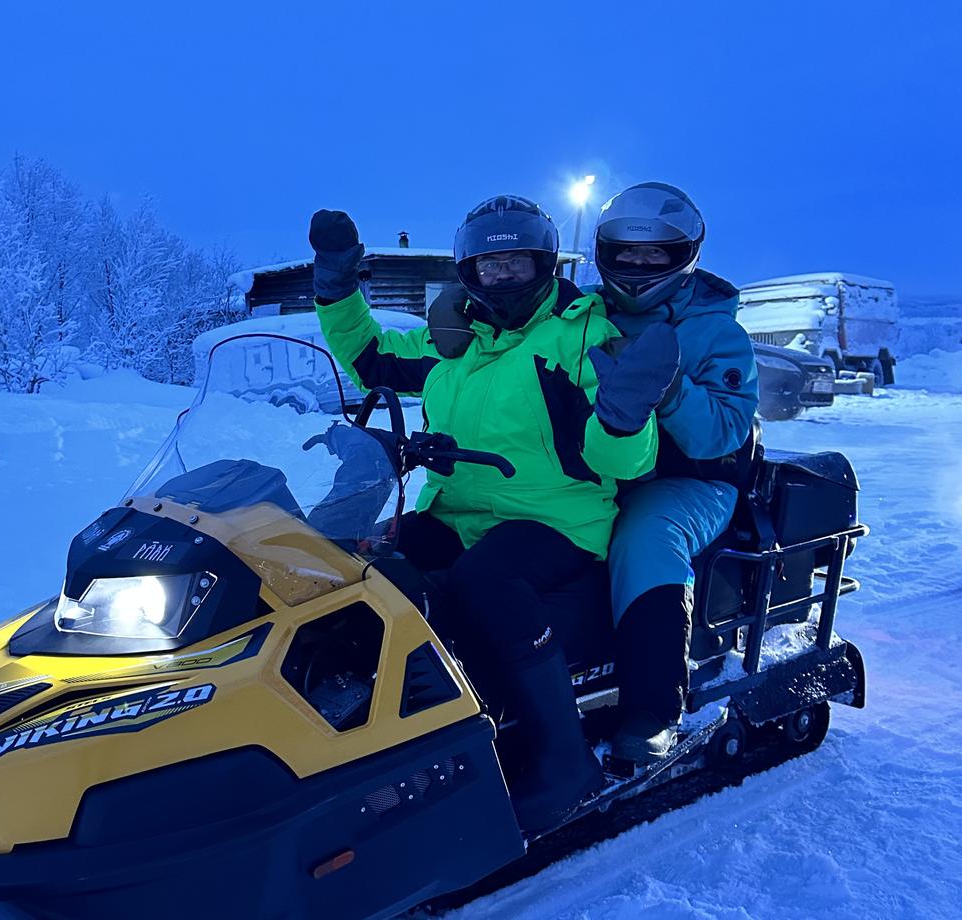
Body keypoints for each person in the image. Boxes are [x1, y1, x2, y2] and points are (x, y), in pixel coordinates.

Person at [307, 196, 680, 833]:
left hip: (557, 519)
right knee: (352, 564)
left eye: (516, 264)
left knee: (485, 581)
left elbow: (625, 464)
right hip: (456, 509)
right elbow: (371, 357)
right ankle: (360, 730)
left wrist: (622, 416)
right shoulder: (456, 340)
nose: (502, 278)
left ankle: (564, 759)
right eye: (488, 266)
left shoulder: (583, 335)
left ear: (543, 264)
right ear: (468, 274)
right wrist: (337, 283)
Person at [588, 182, 760, 764]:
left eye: (654, 254)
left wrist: (666, 387)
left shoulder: (717, 330)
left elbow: (722, 433)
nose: (637, 266)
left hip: (692, 480)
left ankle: (654, 706)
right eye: (626, 253)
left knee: (644, 536)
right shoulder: (584, 315)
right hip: (603, 469)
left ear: (683, 255)